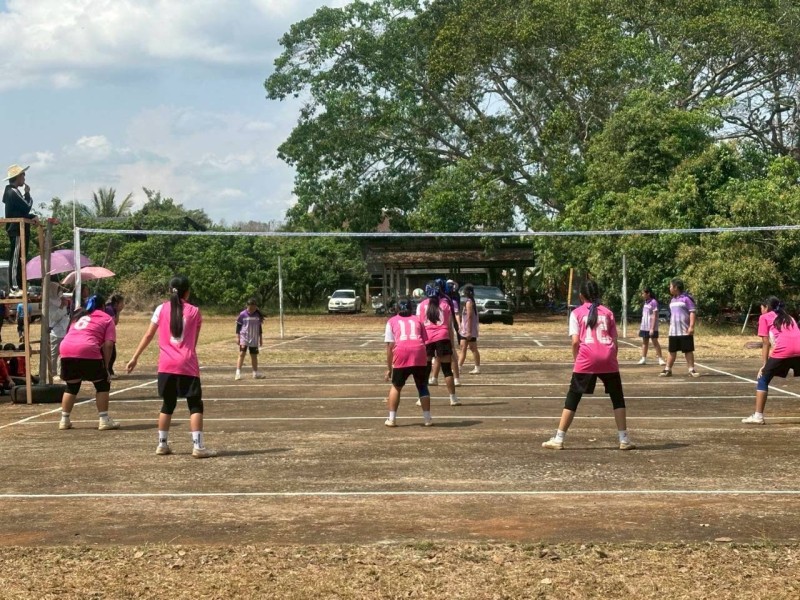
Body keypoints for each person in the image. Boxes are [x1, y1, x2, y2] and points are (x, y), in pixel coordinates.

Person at [126, 275, 215, 458]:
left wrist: (135, 357)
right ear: (187, 292)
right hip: (187, 363)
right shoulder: (195, 311)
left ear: (169, 290)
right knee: (195, 404)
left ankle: (162, 444)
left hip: (166, 364)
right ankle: (198, 447)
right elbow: (193, 342)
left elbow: (148, 335)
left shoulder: (161, 309)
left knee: (168, 404)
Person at [542, 280, 635, 451]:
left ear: (581, 296)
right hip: (608, 358)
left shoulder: (576, 313)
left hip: (586, 358)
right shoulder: (608, 312)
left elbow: (575, 342)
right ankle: (624, 439)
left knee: (573, 398)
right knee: (617, 398)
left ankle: (559, 438)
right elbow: (615, 342)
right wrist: (611, 359)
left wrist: (576, 360)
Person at [57, 294, 120, 431]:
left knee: (71, 386)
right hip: (88, 348)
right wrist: (106, 367)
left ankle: (64, 420)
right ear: (103, 306)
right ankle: (104, 420)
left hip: (66, 349)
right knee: (102, 384)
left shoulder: (78, 316)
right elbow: (108, 345)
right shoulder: (107, 318)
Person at [741, 297, 800, 425]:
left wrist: (764, 365)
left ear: (766, 307)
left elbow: (766, 343)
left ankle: (758, 416)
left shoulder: (764, 317)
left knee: (763, 378)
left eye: (761, 308)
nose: (761, 310)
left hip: (784, 350)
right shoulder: (789, 317)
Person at [383, 297, 432, 427]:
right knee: (422, 386)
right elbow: (425, 341)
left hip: (401, 352)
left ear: (396, 308)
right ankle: (427, 418)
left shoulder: (392, 321)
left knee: (396, 387)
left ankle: (392, 419)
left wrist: (389, 368)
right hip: (419, 352)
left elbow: (390, 347)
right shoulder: (418, 320)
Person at [416, 280, 460, 406]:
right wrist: (452, 345)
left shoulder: (421, 305)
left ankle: (421, 398)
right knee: (447, 370)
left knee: (425, 370)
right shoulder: (445, 304)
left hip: (427, 338)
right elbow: (449, 326)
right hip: (443, 337)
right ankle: (453, 398)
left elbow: (418, 325)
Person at [2, 164, 37, 294]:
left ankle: (20, 285)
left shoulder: (14, 192)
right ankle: (14, 287)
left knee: (22, 258)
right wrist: (27, 194)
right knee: (16, 258)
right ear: (17, 177)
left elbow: (21, 212)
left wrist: (32, 217)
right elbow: (26, 206)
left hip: (20, 228)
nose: (24, 178)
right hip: (16, 229)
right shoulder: (12, 191)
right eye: (23, 175)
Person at [659, 278, 700, 377]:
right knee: (672, 350)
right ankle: (668, 369)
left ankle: (691, 370)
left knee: (688, 350)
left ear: (676, 287)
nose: (669, 288)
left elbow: (692, 312)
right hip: (673, 331)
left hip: (685, 330)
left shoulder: (686, 298)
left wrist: (691, 327)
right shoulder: (672, 300)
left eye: (670, 286)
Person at [430, 279, 462, 386]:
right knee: (440, 355)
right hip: (443, 329)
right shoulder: (446, 299)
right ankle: (435, 378)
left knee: (449, 354)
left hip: (443, 329)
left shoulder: (443, 300)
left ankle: (455, 378)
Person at [235, 298, 265, 380]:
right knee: (242, 353)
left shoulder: (257, 315)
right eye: (250, 308)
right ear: (247, 306)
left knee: (254, 355)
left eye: (253, 308)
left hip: (254, 338)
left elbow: (259, 327)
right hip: (244, 337)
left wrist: (260, 338)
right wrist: (237, 337)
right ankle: (238, 373)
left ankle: (255, 373)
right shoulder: (242, 314)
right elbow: (238, 326)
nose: (251, 310)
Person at [637, 287, 665, 366]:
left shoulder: (654, 302)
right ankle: (643, 358)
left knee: (655, 342)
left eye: (643, 293)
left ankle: (660, 359)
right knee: (645, 342)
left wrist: (652, 328)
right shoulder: (645, 302)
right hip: (644, 326)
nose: (642, 295)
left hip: (652, 327)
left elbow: (654, 315)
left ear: (648, 293)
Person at [49, 291, 71, 383]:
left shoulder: (60, 301)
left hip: (64, 332)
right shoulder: (50, 303)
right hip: (56, 333)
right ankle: (53, 373)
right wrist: (62, 305)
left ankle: (61, 372)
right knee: (54, 354)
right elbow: (54, 317)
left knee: (63, 354)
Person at [458, 283, 481, 373]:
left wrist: (469, 331)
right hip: (465, 329)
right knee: (463, 347)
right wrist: (461, 326)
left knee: (473, 348)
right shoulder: (469, 301)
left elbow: (470, 317)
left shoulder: (469, 302)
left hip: (469, 330)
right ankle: (459, 367)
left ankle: (477, 367)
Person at [103, 293, 125, 377]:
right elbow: (114, 323)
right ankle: (108, 372)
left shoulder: (112, 309)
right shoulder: (109, 310)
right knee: (111, 354)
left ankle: (109, 371)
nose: (123, 305)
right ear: (116, 303)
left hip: (107, 334)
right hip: (105, 335)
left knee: (112, 354)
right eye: (122, 303)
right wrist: (118, 312)